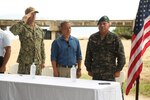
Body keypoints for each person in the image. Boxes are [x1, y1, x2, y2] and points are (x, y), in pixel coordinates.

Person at [84, 15, 125, 81]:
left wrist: (118, 70)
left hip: (110, 74)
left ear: (109, 25)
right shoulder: (93, 38)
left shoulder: (115, 38)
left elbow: (121, 56)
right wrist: (88, 69)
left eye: (104, 23)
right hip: (96, 74)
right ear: (98, 26)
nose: (102, 25)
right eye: (100, 24)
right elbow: (88, 55)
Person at [9, 7, 45, 75]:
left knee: (37, 84)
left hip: (37, 63)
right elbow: (13, 31)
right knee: (23, 83)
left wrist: (43, 61)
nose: (34, 16)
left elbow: (41, 46)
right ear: (27, 15)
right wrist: (24, 19)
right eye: (31, 14)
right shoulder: (22, 27)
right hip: (25, 63)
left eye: (35, 14)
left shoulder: (39, 30)